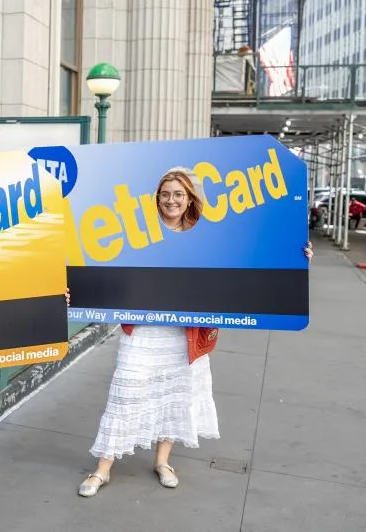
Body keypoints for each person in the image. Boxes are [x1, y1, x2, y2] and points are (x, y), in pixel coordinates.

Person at [75, 168, 314, 497]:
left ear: (189, 200)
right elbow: (96, 265)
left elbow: (249, 263)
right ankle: (102, 469)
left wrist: (295, 259)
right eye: (166, 194)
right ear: (156, 198)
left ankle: (162, 461)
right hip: (142, 330)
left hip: (184, 334)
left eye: (178, 194)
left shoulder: (207, 236)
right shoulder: (133, 234)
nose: (171, 200)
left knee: (177, 392)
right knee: (126, 391)